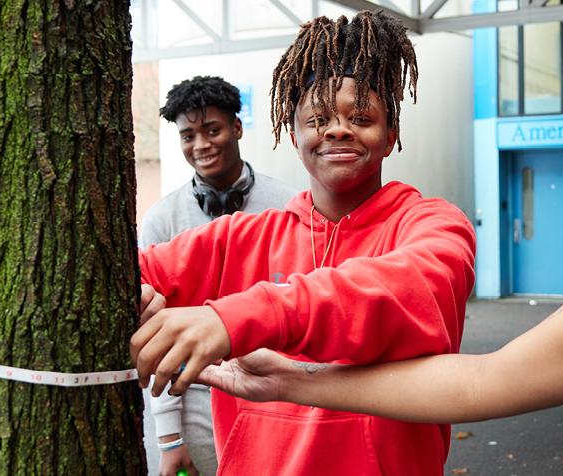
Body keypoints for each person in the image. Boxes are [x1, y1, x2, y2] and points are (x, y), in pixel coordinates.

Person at [193, 3, 563, 475]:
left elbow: (407, 290)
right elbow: (479, 381)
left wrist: (254, 315)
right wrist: (289, 380)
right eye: (317, 119)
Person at [132, 11, 476, 476]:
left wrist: (234, 318)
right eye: (318, 118)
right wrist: (140, 295)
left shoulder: (433, 225)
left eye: (361, 117)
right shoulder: (241, 237)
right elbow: (135, 274)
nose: (337, 129)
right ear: (294, 136)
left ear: (391, 134)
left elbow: (397, 290)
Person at [140, 76, 298, 476]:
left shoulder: (287, 205)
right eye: (187, 135)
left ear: (238, 128)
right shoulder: (162, 219)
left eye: (212, 130)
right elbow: (154, 335)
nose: (200, 145)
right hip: (195, 395)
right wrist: (170, 438)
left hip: (277, 392)